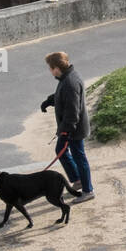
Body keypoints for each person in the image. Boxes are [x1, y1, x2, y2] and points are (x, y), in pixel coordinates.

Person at [41, 51, 94, 202]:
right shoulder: (66, 78)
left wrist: (65, 132)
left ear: (56, 68)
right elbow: (61, 95)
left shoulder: (70, 82)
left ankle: (88, 190)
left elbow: (72, 111)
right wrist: (49, 101)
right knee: (60, 151)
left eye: (50, 68)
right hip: (69, 128)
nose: (50, 71)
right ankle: (77, 180)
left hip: (73, 130)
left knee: (79, 157)